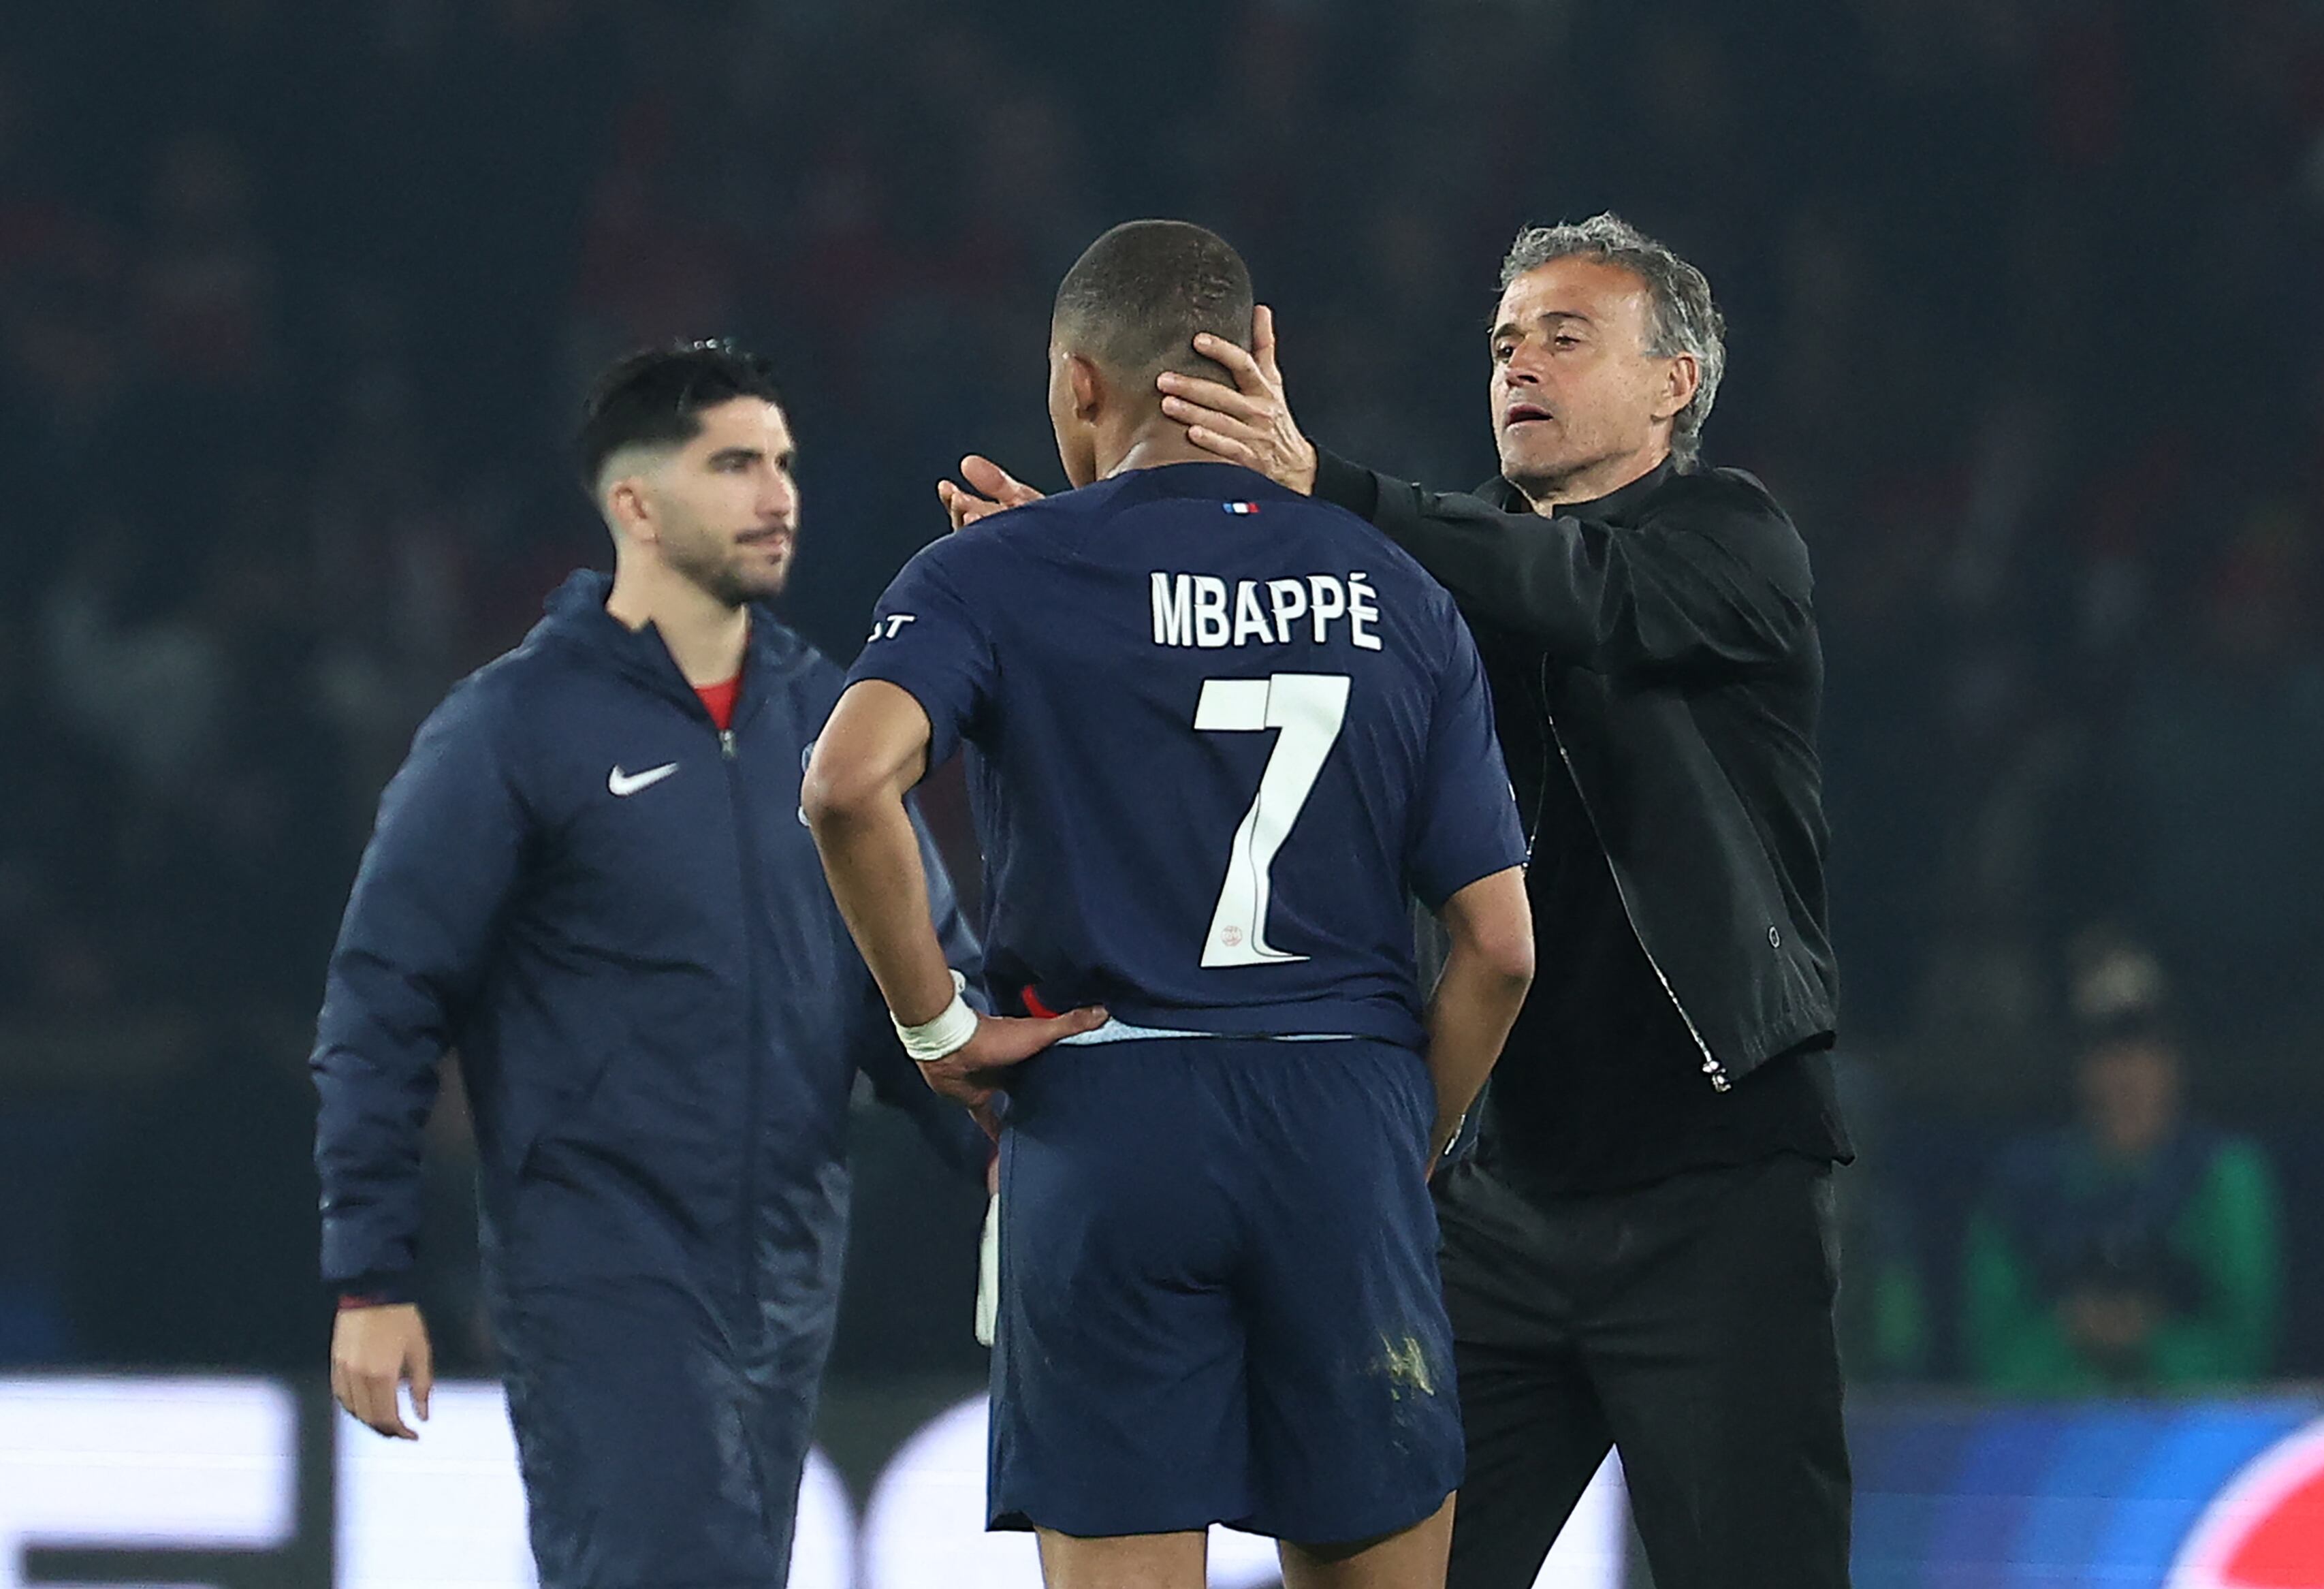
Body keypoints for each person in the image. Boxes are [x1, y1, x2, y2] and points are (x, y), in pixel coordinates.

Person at [946, 213, 1855, 1589]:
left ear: (1675, 382)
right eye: (1502, 341)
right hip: (1494, 1195)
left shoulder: (1730, 541)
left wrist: (1322, 481)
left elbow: (1582, 597)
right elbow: (1241, 654)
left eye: (1564, 335)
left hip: (1713, 1187)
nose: (1518, 364)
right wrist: (1092, 569)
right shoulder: (1421, 565)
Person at [801, 219, 1534, 1589]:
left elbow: (847, 787)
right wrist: (1401, 1134)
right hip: (1341, 1116)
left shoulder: (997, 574)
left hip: (1106, 1119)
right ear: (1258, 359)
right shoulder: (1403, 591)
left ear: (1080, 381)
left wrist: (936, 1026)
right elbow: (1498, 943)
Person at [311, 341, 1006, 1589]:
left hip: (790, 1270)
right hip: (599, 1272)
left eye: (784, 462)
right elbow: (384, 996)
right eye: (735, 463)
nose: (778, 492)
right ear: (633, 502)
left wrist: (1019, 1148)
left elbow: (919, 993)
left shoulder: (824, 720)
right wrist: (371, 1273)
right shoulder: (515, 725)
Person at [1966, 944, 2281, 1393]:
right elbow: (1991, 1359)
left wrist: (2150, 1338)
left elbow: (2244, 1351)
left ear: (2176, 1064)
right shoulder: (2023, 1185)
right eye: (2107, 1052)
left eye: (2147, 1050)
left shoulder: (2223, 1177)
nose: (2128, 1075)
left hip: (2189, 1437)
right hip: (2047, 1440)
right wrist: (2071, 1332)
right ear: (2076, 1066)